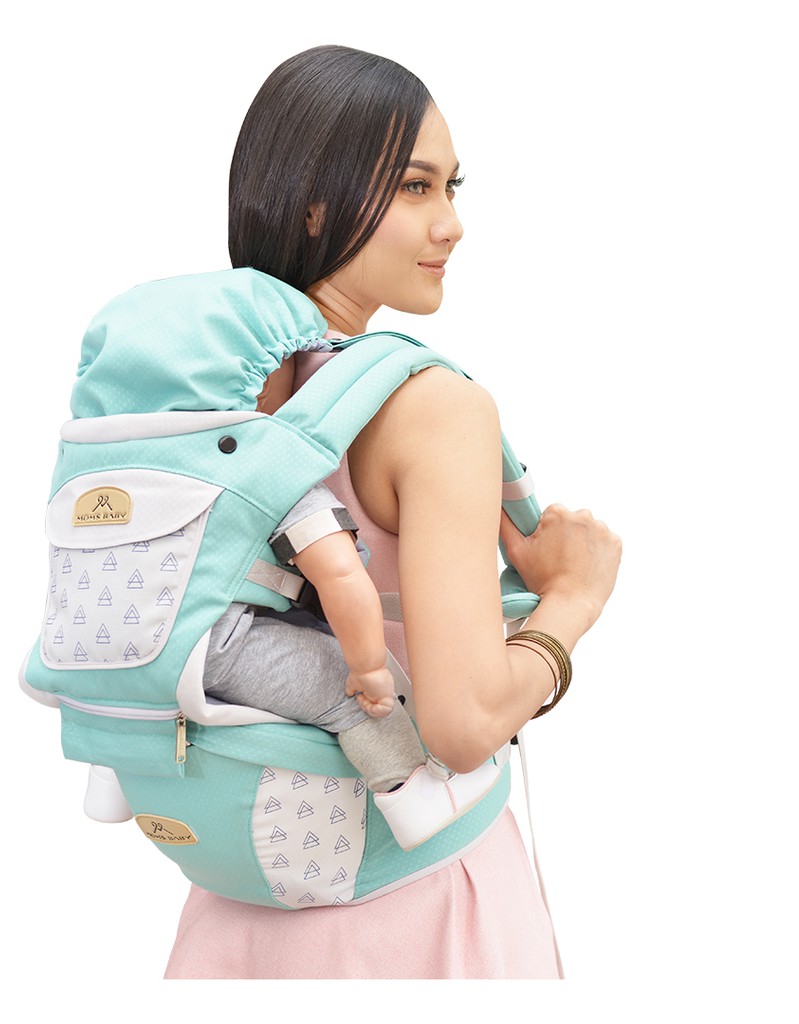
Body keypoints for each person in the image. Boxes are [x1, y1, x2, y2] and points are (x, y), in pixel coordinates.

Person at [164, 44, 621, 979]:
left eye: (453, 187)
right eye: (415, 188)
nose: (451, 223)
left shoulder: (193, 397)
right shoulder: (432, 409)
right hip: (420, 908)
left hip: (236, 906)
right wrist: (573, 600)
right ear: (314, 204)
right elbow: (461, 723)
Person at [204, 475, 504, 852]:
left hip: (134, 658)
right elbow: (340, 573)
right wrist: (368, 668)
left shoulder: (131, 465)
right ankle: (415, 793)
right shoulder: (266, 468)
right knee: (346, 687)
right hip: (212, 645)